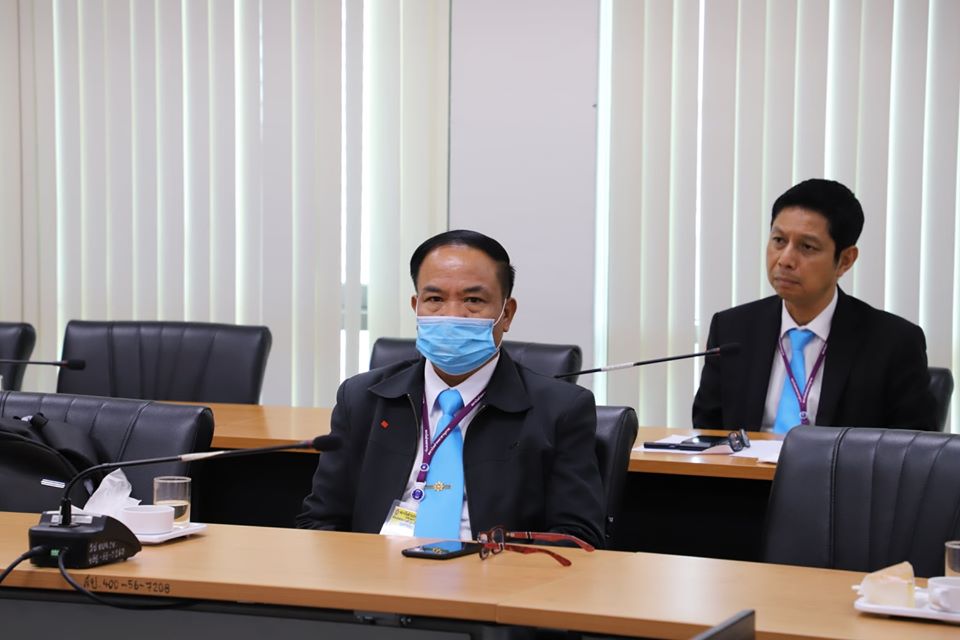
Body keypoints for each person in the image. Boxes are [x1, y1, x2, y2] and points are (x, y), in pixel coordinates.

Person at [297, 229, 605, 548]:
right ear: (416, 306)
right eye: (435, 299)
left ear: (507, 313)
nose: (453, 314)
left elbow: (577, 537)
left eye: (473, 300)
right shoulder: (362, 398)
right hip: (376, 570)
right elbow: (320, 521)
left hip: (494, 571)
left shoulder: (560, 409)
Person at [693, 178, 936, 432]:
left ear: (845, 260)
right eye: (779, 240)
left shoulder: (893, 343)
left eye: (807, 247)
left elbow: (913, 446)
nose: (785, 260)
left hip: (839, 460)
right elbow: (707, 431)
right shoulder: (732, 330)